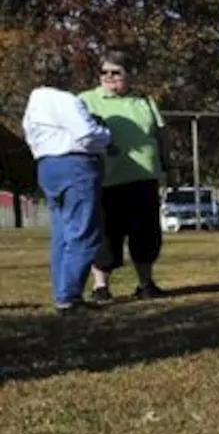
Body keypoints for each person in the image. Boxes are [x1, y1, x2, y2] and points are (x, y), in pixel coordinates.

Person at [80, 50, 168, 302]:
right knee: (107, 235)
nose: (108, 77)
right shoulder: (86, 100)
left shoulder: (145, 101)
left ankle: (146, 283)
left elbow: (161, 135)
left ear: (129, 75)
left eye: (115, 72)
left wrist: (167, 166)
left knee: (146, 235)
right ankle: (100, 286)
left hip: (143, 178)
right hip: (105, 180)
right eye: (104, 72)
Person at [21, 75, 113, 313]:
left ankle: (62, 292)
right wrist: (106, 135)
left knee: (62, 233)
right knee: (83, 231)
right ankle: (69, 296)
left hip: (47, 165)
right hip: (75, 165)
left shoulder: (34, 104)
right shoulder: (65, 100)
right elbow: (86, 134)